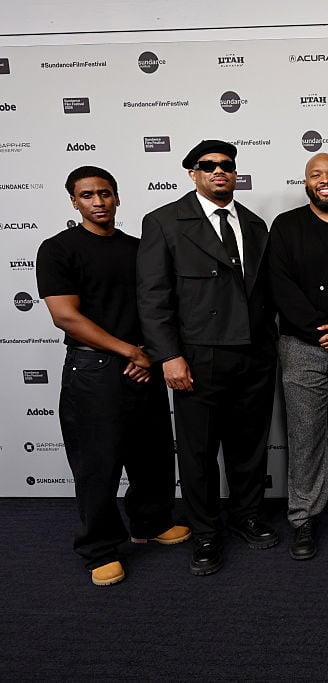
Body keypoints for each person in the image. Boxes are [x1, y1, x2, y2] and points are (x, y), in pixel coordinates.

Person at [36, 166, 189, 587]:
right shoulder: (58, 249)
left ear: (117, 197)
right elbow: (65, 316)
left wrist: (148, 354)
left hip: (144, 364)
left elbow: (159, 306)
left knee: (153, 454)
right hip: (93, 370)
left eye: (105, 193)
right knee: (97, 464)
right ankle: (99, 549)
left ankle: (150, 523)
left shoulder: (139, 248)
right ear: (74, 202)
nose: (98, 201)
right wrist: (128, 350)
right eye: (87, 195)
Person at [137, 140, 279, 576]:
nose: (220, 171)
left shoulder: (254, 223)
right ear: (192, 173)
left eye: (227, 165)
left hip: (254, 355)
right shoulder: (164, 221)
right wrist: (169, 355)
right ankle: (204, 532)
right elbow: (153, 297)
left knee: (249, 447)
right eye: (209, 165)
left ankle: (247, 516)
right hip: (198, 358)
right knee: (198, 452)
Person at [269, 153, 328, 561]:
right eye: (316, 175)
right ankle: (304, 515)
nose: (325, 180)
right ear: (306, 183)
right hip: (300, 345)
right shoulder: (286, 225)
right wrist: (321, 332)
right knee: (306, 433)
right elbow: (280, 285)